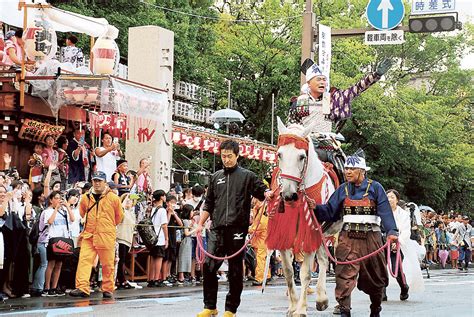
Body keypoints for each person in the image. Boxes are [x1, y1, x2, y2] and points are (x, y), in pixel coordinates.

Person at [312, 149, 398, 317]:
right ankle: (345, 311)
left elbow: (385, 212)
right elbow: (329, 211)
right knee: (343, 276)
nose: (348, 172)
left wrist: (392, 231)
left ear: (362, 171)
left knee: (376, 277)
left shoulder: (376, 188)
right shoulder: (343, 189)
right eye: (346, 169)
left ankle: (375, 308)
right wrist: (315, 207)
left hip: (371, 240)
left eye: (352, 169)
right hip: (347, 239)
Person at [196, 140, 270, 317]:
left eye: (230, 156)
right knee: (208, 266)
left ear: (237, 155)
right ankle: (210, 306)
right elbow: (209, 203)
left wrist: (269, 194)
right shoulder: (215, 177)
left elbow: (263, 193)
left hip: (238, 228)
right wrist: (200, 224)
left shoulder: (248, 176)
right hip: (217, 228)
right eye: (223, 156)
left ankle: (231, 309)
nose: (226, 160)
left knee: (236, 270)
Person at [287, 59, 392, 183]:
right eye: (318, 79)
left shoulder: (330, 99)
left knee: (346, 172)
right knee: (282, 167)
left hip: (327, 144)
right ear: (309, 83)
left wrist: (375, 75)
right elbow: (291, 125)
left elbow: (354, 90)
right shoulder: (299, 101)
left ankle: (348, 196)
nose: (322, 82)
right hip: (304, 143)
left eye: (324, 79)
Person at [69, 171, 124, 298]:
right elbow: (82, 213)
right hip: (89, 235)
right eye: (95, 181)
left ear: (105, 182)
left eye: (100, 181)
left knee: (107, 264)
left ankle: (107, 288)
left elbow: (119, 217)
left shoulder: (114, 198)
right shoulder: (86, 197)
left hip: (106, 235)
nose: (97, 183)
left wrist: (107, 226)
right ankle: (82, 288)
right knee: (84, 261)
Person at [384, 189, 424, 301]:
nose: (389, 199)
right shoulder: (382, 212)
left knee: (396, 267)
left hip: (397, 244)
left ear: (397, 199)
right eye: (387, 197)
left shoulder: (404, 214)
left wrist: (397, 242)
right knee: (380, 268)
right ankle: (382, 291)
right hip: (382, 244)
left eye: (392, 197)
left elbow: (406, 231)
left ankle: (403, 286)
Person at [43, 190, 75, 297]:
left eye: (59, 198)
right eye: (56, 198)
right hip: (52, 239)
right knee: (51, 264)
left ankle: (54, 287)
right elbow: (50, 222)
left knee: (59, 265)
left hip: (63, 240)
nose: (58, 200)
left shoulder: (64, 211)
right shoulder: (47, 211)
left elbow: (72, 219)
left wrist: (67, 206)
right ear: (51, 200)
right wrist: (56, 209)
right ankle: (47, 287)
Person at [147, 189, 169, 288]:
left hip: (152, 237)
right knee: (159, 258)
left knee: (152, 257)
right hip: (159, 237)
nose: (165, 197)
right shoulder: (162, 210)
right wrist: (167, 238)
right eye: (164, 196)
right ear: (161, 197)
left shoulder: (153, 209)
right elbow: (164, 225)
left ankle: (151, 278)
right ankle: (156, 278)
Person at [116, 193, 136, 289]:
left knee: (123, 260)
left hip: (128, 239)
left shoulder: (132, 213)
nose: (129, 201)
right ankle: (121, 280)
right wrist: (124, 201)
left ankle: (121, 279)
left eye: (130, 200)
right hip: (120, 238)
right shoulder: (122, 211)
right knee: (120, 260)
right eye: (126, 200)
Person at [248, 198, 270, 286]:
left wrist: (250, 229)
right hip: (259, 238)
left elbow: (262, 224)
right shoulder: (258, 208)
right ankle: (266, 276)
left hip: (262, 237)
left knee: (260, 258)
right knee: (262, 258)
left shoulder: (264, 208)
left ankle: (260, 278)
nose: (252, 199)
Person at [177, 204, 195, 285]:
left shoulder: (186, 221)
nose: (193, 213)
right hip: (186, 240)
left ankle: (183, 275)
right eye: (192, 211)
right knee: (183, 258)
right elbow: (186, 233)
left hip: (187, 241)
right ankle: (181, 276)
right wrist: (194, 229)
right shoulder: (186, 221)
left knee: (185, 257)